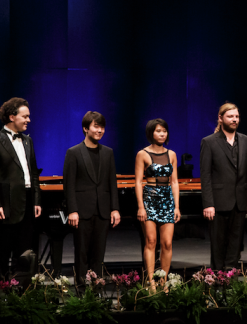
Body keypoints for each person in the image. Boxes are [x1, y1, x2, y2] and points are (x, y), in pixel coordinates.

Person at [0, 98, 42, 283]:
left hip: (27, 200)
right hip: (6, 202)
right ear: (12, 117)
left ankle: (21, 285)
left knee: (23, 249)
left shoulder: (28, 141)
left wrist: (37, 200)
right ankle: (3, 286)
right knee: (4, 248)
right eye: (25, 116)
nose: (28, 120)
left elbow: (33, 173)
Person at [199, 102, 247, 271]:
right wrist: (208, 203)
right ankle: (217, 279)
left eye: (237, 116)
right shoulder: (209, 142)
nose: (234, 120)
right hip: (218, 202)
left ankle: (230, 280)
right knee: (218, 245)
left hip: (239, 202)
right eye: (230, 116)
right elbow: (206, 175)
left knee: (235, 244)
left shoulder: (246, 141)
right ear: (220, 118)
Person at [63, 111, 120, 285]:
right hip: (81, 211)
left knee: (99, 254)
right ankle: (81, 290)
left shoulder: (108, 152)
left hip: (102, 210)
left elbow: (112, 182)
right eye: (96, 126)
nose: (100, 130)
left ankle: (96, 290)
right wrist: (72, 210)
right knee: (81, 253)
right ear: (85, 128)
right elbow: (69, 184)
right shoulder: (74, 152)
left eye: (102, 127)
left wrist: (115, 208)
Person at [134, 119, 181, 282]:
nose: (162, 134)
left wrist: (176, 207)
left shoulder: (172, 154)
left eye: (164, 131)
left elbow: (174, 182)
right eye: (158, 131)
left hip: (167, 199)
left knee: (167, 243)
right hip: (150, 199)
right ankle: (151, 281)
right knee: (151, 241)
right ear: (150, 133)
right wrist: (141, 207)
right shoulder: (142, 154)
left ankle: (163, 281)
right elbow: (138, 182)